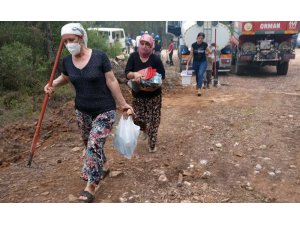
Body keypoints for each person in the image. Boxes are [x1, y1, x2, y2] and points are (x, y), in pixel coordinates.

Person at [44, 23, 133, 203]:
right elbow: (66, 77)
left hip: (104, 109)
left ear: (81, 38)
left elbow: (112, 80)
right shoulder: (67, 61)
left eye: (72, 40)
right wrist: (51, 84)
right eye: (66, 41)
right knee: (90, 143)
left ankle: (92, 184)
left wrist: (122, 104)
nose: (69, 44)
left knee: (93, 144)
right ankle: (104, 165)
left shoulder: (99, 57)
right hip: (82, 110)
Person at [125, 34, 165, 153]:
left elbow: (162, 75)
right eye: (142, 43)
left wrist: (152, 81)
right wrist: (135, 74)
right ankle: (145, 129)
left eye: (147, 44)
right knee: (137, 119)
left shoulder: (155, 59)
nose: (144, 46)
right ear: (139, 44)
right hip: (138, 96)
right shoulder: (133, 57)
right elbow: (126, 73)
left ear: (152, 46)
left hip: (154, 96)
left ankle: (152, 144)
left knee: (153, 120)